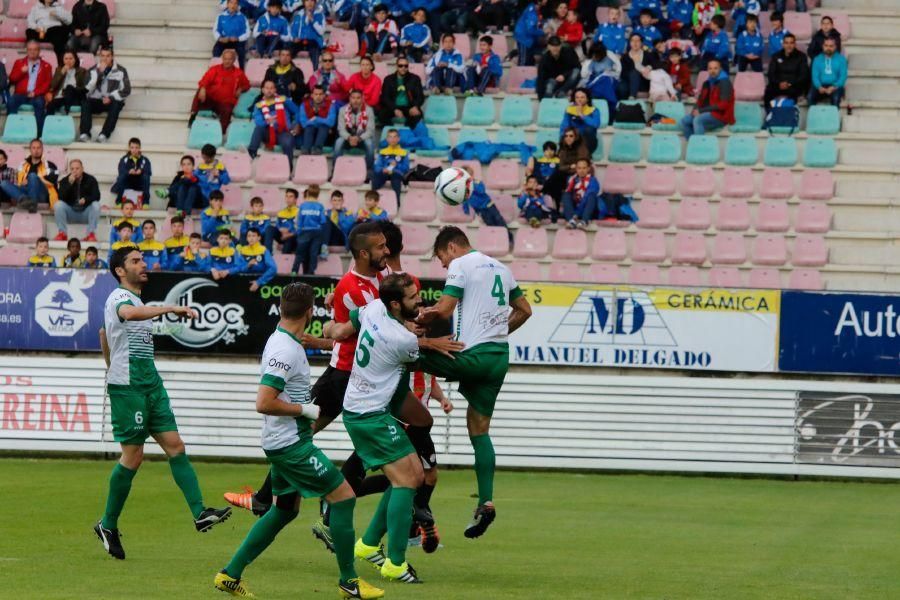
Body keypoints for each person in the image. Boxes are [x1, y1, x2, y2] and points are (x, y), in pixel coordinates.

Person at [213, 283, 384, 600]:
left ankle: (229, 575)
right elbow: (264, 401)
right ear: (309, 312)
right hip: (290, 445)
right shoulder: (286, 350)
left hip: (283, 442)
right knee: (344, 497)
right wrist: (304, 408)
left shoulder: (283, 340)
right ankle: (350, 582)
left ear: (281, 308)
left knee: (284, 510)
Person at [94, 247, 232, 561]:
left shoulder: (138, 301)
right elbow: (126, 317)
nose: (143, 265)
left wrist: (109, 361)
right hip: (129, 386)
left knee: (175, 446)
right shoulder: (119, 299)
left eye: (143, 260)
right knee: (133, 456)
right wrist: (171, 308)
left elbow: (105, 334)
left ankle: (199, 513)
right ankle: (108, 524)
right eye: (135, 261)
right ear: (119, 270)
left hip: (150, 383)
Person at [414, 226, 532, 538]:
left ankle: (391, 421)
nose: (442, 265)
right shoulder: (502, 268)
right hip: (497, 359)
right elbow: (525, 310)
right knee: (479, 431)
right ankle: (486, 502)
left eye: (441, 258)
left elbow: (444, 309)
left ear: (451, 248)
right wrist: (498, 333)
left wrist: (417, 319)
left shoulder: (460, 265)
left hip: (473, 357)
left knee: (406, 352)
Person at [321, 274, 433, 584]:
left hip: (367, 406)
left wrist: (329, 328)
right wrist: (429, 339)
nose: (419, 301)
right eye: (413, 297)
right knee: (407, 481)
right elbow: (425, 357)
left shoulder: (373, 308)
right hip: (369, 415)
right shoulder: (403, 340)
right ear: (396, 303)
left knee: (412, 477)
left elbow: (343, 328)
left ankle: (369, 544)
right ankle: (395, 563)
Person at [189, 49, 251, 132]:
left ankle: (221, 133)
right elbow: (204, 80)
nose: (227, 61)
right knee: (199, 92)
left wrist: (241, 88)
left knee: (227, 110)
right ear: (222, 59)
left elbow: (247, 85)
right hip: (211, 100)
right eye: (225, 59)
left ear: (234, 60)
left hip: (226, 103)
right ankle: (193, 117)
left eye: (230, 59)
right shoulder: (214, 69)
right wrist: (203, 88)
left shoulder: (239, 73)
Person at [80, 45, 130, 143]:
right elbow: (86, 91)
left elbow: (126, 90)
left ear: (112, 56)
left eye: (108, 56)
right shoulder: (93, 70)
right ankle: (85, 133)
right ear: (99, 56)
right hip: (97, 100)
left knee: (117, 104)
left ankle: (104, 134)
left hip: (111, 101)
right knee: (85, 102)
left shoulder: (121, 70)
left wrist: (111, 97)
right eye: (103, 56)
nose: (105, 58)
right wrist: (99, 74)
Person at [248, 79, 301, 168]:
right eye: (267, 88)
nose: (269, 90)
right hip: (268, 132)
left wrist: (296, 124)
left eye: (272, 88)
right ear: (262, 90)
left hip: (283, 131)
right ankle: (251, 155)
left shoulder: (284, 100)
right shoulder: (258, 105)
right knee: (258, 129)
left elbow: (297, 112)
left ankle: (288, 168)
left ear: (275, 90)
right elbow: (258, 122)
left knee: (287, 142)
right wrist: (267, 122)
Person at [8, 42, 54, 137]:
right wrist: (21, 71)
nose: (32, 52)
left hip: (37, 94)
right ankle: (12, 129)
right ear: (27, 51)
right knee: (11, 101)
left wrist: (35, 93)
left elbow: (47, 83)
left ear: (39, 51)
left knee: (40, 103)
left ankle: (38, 134)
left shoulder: (46, 66)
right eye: (30, 49)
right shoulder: (19, 63)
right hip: (21, 94)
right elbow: (12, 79)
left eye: (35, 49)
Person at [0, 139, 59, 213]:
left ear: (42, 149)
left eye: (38, 148)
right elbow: (18, 182)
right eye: (33, 148)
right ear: (30, 150)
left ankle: (32, 203)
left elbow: (53, 182)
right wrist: (21, 183)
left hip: (42, 193)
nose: (36, 150)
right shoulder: (23, 165)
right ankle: (26, 200)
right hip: (26, 192)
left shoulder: (50, 164)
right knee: (4, 183)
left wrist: (37, 179)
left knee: (32, 176)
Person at [681, 59, 734, 139]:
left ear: (720, 69)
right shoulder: (706, 83)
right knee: (684, 121)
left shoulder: (725, 83)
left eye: (715, 68)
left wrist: (701, 111)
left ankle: (699, 149)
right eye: (710, 68)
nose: (713, 71)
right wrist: (694, 110)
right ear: (707, 70)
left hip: (720, 116)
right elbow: (700, 100)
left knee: (698, 120)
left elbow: (723, 105)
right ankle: (692, 146)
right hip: (706, 113)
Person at [55, 159, 101, 242]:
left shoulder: (91, 179)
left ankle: (90, 234)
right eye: (72, 169)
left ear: (82, 169)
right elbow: (61, 197)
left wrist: (86, 199)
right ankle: (62, 233)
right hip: (71, 212)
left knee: (96, 205)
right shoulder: (65, 181)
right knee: (58, 205)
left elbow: (97, 196)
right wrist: (69, 184)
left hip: (85, 213)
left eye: (77, 168)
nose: (74, 171)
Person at [543, 127, 589, 209]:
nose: (568, 138)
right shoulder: (563, 149)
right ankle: (555, 208)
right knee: (557, 181)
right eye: (566, 136)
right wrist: (570, 166)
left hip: (578, 174)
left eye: (571, 136)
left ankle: (543, 191)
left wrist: (569, 168)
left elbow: (581, 166)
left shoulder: (581, 148)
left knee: (558, 177)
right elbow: (561, 166)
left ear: (576, 137)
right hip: (564, 174)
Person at [764, 34, 810, 110]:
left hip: (794, 85)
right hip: (778, 85)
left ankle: (790, 116)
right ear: (783, 44)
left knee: (794, 93)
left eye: (791, 43)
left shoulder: (801, 56)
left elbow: (803, 75)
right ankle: (769, 114)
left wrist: (789, 83)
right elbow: (771, 74)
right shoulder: (776, 56)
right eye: (786, 43)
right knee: (768, 91)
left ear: (795, 44)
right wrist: (779, 83)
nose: (789, 45)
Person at [336, 89, 376, 174]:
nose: (355, 101)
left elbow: (370, 130)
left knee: (369, 143)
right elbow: (341, 129)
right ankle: (335, 170)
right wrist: (349, 137)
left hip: (362, 139)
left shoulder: (369, 110)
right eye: (353, 98)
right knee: (338, 142)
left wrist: (358, 138)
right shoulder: (342, 110)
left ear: (362, 99)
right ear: (349, 99)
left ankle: (369, 171)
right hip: (348, 139)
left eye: (358, 98)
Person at [291, 186, 327, 274]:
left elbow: (299, 221)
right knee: (313, 253)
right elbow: (323, 221)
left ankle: (294, 271)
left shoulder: (303, 206)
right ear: (318, 194)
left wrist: (299, 233)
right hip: (317, 232)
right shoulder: (320, 206)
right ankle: (311, 272)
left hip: (304, 231)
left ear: (308, 194)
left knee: (299, 253)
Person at [26, 0, 72, 65]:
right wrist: (36, 28)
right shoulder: (36, 7)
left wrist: (57, 14)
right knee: (29, 31)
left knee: (59, 31)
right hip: (41, 31)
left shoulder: (58, 7)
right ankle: (29, 60)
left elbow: (69, 20)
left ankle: (61, 64)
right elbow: (30, 21)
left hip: (54, 31)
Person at [372, 129, 408, 208]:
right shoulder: (382, 152)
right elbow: (377, 166)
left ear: (398, 139)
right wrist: (383, 169)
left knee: (395, 178)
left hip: (396, 174)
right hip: (385, 173)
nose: (393, 139)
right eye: (390, 137)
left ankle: (397, 204)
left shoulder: (404, 152)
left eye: (395, 137)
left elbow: (406, 168)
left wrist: (396, 166)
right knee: (375, 176)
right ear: (387, 139)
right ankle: (372, 202)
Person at [561, 158, 600, 229]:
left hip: (587, 209)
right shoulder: (571, 179)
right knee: (566, 194)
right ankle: (571, 221)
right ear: (576, 169)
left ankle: (584, 221)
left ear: (588, 169)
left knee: (591, 196)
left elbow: (586, 197)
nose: (581, 171)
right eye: (579, 168)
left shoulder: (593, 180)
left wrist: (577, 213)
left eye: (584, 168)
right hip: (574, 210)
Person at [560, 88, 601, 155]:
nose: (579, 99)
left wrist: (581, 115)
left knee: (589, 129)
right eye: (577, 97)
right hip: (574, 139)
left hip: (588, 142)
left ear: (587, 99)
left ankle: (585, 156)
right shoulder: (569, 110)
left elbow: (596, 124)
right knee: (566, 132)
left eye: (582, 97)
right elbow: (564, 125)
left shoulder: (594, 110)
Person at [112, 138, 152, 206]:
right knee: (121, 177)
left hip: (139, 183)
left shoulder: (145, 160)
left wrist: (141, 171)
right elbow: (121, 170)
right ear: (129, 148)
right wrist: (128, 172)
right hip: (128, 183)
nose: (134, 150)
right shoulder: (124, 159)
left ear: (140, 148)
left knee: (146, 177)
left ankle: (145, 203)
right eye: (132, 147)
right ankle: (119, 201)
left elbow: (149, 171)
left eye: (136, 148)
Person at [298, 84, 336, 155]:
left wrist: (316, 119)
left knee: (323, 127)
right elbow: (303, 123)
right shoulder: (304, 105)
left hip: (325, 135)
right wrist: (320, 121)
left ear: (324, 95)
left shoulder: (331, 105)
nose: (318, 96)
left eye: (320, 94)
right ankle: (306, 149)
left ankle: (317, 150)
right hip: (308, 133)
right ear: (312, 95)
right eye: (316, 94)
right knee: (309, 127)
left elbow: (331, 122)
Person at [47, 50, 88, 115]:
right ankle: (47, 124)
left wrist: (71, 89)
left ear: (75, 60)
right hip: (61, 97)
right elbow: (52, 86)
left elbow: (84, 87)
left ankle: (66, 113)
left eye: (71, 58)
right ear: (63, 60)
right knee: (50, 106)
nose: (68, 61)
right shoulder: (59, 70)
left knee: (69, 88)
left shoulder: (82, 71)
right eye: (66, 59)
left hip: (75, 97)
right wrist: (61, 73)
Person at [809, 38, 847, 108]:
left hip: (835, 86)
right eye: (826, 45)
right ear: (823, 46)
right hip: (820, 86)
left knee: (835, 99)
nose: (828, 48)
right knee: (810, 97)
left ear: (835, 47)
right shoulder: (817, 59)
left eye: (831, 46)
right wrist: (819, 87)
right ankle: (813, 118)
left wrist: (833, 87)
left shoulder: (841, 59)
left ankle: (834, 118)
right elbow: (815, 76)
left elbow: (842, 77)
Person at [213, 0, 251, 69]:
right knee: (216, 49)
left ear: (238, 5)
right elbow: (215, 30)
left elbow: (247, 32)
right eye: (231, 3)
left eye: (235, 3)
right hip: (224, 40)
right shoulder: (221, 16)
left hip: (237, 41)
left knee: (241, 52)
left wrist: (238, 38)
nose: (233, 5)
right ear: (227, 4)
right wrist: (220, 38)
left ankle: (241, 72)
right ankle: (215, 70)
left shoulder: (242, 17)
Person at [238, 227, 277, 291]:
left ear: (259, 238)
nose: (251, 238)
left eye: (254, 236)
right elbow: (238, 268)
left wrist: (258, 282)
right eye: (249, 236)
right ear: (246, 238)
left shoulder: (264, 250)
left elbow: (273, 268)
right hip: (244, 283)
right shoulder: (243, 250)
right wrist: (248, 265)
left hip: (261, 284)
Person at [290, 0, 326, 70]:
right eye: (307, 1)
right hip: (300, 40)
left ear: (315, 3)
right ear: (304, 2)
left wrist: (312, 20)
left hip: (314, 41)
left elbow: (321, 32)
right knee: (288, 51)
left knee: (315, 48)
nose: (310, 3)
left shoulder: (320, 14)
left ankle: (315, 72)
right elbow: (292, 30)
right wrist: (294, 38)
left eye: (312, 1)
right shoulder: (298, 14)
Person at [264, 187, 300, 254]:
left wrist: (289, 233)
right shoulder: (281, 212)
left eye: (291, 197)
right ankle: (268, 254)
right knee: (269, 228)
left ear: (295, 199)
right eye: (286, 196)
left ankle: (284, 260)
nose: (288, 199)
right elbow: (277, 225)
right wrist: (281, 230)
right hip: (282, 235)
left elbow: (300, 229)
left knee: (289, 240)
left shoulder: (299, 212)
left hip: (293, 237)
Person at [618, 33, 652, 100]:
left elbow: (655, 64)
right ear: (630, 43)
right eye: (632, 41)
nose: (635, 43)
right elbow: (623, 73)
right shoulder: (625, 57)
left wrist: (649, 67)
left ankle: (632, 96)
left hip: (645, 80)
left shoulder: (648, 54)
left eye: (637, 41)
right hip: (629, 81)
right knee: (633, 74)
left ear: (641, 43)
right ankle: (629, 99)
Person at [514, 0, 546, 66]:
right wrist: (543, 32)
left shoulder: (533, 7)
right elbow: (530, 30)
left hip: (528, 39)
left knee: (530, 61)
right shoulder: (532, 12)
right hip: (524, 39)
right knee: (524, 62)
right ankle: (521, 76)